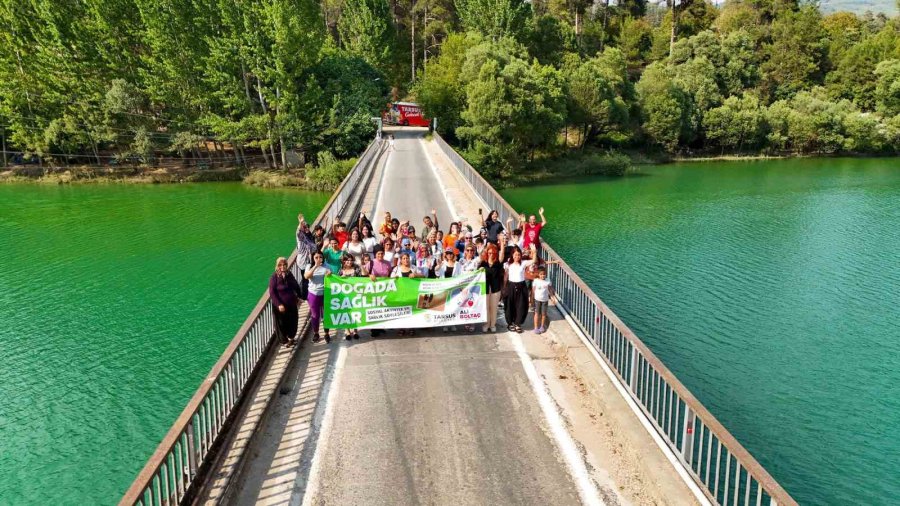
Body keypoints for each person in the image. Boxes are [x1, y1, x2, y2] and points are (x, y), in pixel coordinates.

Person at [269, 256, 304, 348]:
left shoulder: (289, 274)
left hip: (291, 303)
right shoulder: (274, 277)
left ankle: (291, 338)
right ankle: (284, 341)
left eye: (284, 264)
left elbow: (296, 285)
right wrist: (278, 304)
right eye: (280, 265)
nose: (283, 266)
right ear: (277, 266)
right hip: (280, 306)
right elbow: (272, 292)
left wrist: (299, 297)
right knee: (281, 324)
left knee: (293, 321)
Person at [502, 238, 533, 333]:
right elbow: (506, 276)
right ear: (512, 255)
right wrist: (504, 287)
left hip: (521, 286)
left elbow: (533, 260)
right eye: (515, 255)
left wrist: (534, 251)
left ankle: (518, 323)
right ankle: (510, 323)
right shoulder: (508, 264)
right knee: (509, 305)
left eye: (519, 255)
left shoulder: (523, 263)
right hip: (511, 285)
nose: (517, 256)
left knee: (521, 306)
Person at [304, 251, 332, 343]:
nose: (319, 259)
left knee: (326, 314)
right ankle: (316, 333)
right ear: (313, 258)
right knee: (315, 315)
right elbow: (306, 276)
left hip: (325, 294)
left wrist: (330, 274)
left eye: (320, 257)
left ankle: (327, 333)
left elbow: (332, 278)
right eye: (316, 257)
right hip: (313, 294)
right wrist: (315, 266)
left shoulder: (327, 266)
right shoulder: (309, 266)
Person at [435, 247, 462, 332]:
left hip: (454, 289)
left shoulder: (457, 264)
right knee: (445, 307)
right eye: (447, 253)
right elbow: (437, 273)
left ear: (453, 254)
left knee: (453, 306)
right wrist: (439, 266)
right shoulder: (442, 263)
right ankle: (445, 324)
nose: (449, 255)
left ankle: (452, 323)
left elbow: (461, 275)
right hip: (445, 288)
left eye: (450, 253)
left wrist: (461, 288)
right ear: (445, 255)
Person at [391, 252, 418, 336]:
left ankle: (411, 328)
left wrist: (416, 275)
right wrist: (394, 278)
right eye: (404, 258)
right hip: (400, 293)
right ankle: (401, 328)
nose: (406, 260)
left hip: (412, 292)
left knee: (412, 310)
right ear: (401, 260)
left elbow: (423, 276)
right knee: (401, 311)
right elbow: (390, 278)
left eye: (407, 258)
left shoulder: (414, 267)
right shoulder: (396, 269)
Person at [368, 246, 392, 337]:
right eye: (378, 253)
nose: (380, 255)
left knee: (383, 309)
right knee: (375, 309)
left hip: (385, 289)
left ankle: (381, 327)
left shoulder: (387, 263)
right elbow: (364, 274)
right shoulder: (371, 263)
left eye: (382, 253)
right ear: (375, 254)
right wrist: (369, 275)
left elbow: (390, 274)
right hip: (374, 290)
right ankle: (374, 329)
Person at [337, 254, 363, 340]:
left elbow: (361, 279)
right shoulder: (341, 270)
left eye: (351, 260)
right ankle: (347, 331)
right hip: (344, 295)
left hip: (355, 294)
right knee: (346, 312)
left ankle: (355, 331)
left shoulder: (356, 269)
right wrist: (341, 278)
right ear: (344, 261)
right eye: (348, 260)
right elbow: (336, 282)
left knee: (355, 312)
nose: (350, 262)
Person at [479, 244, 504, 332]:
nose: (491, 255)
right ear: (487, 253)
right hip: (485, 288)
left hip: (495, 289)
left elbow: (502, 254)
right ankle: (486, 324)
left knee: (493, 308)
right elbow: (477, 273)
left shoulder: (498, 263)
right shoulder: (483, 263)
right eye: (489, 253)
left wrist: (502, 243)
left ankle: (493, 325)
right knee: (486, 307)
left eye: (493, 253)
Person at [458, 244, 481, 332]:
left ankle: (472, 322)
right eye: (468, 250)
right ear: (465, 251)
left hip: (473, 287)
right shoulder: (461, 261)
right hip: (463, 286)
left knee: (472, 305)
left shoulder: (476, 260)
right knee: (465, 305)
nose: (470, 252)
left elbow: (481, 257)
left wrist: (480, 252)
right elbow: (458, 274)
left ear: (474, 252)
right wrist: (461, 287)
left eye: (471, 250)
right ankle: (466, 321)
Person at [296, 213, 316, 297]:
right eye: (305, 227)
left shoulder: (310, 236)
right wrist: (301, 222)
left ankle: (308, 294)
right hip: (303, 261)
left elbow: (314, 248)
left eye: (308, 227)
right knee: (305, 279)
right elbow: (298, 231)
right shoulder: (301, 238)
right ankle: (304, 296)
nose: (307, 228)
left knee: (309, 278)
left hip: (309, 261)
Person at [532, 267, 554, 334]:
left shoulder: (548, 280)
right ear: (538, 274)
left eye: (544, 274)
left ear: (546, 274)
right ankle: (536, 327)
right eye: (541, 274)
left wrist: (552, 297)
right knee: (537, 313)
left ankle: (542, 326)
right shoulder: (536, 281)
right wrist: (532, 299)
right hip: (537, 300)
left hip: (545, 300)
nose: (542, 276)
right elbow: (533, 290)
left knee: (544, 314)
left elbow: (550, 289)